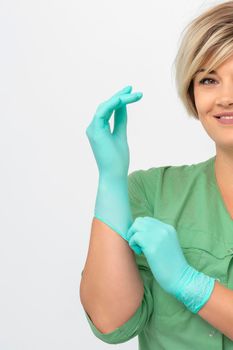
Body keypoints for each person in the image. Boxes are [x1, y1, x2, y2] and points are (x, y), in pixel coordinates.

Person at [79, 1, 233, 348]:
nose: (226, 97)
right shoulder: (152, 193)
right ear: (193, 93)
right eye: (209, 79)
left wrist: (189, 283)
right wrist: (111, 181)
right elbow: (111, 322)